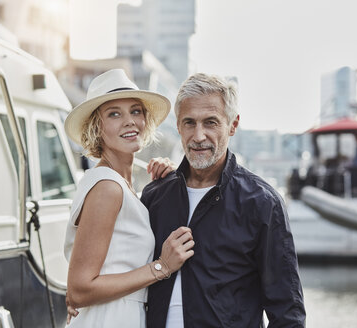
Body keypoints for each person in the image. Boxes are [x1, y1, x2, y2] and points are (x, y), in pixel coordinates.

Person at [141, 73, 306, 327]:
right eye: (189, 123)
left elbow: (287, 311)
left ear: (232, 124)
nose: (198, 136)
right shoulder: (154, 197)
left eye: (210, 122)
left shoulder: (262, 203)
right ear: (178, 126)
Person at [63, 69, 195, 327]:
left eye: (136, 111)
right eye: (114, 114)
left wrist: (166, 178)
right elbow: (79, 290)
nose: (129, 121)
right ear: (96, 127)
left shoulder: (120, 185)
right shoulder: (107, 188)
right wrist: (161, 267)